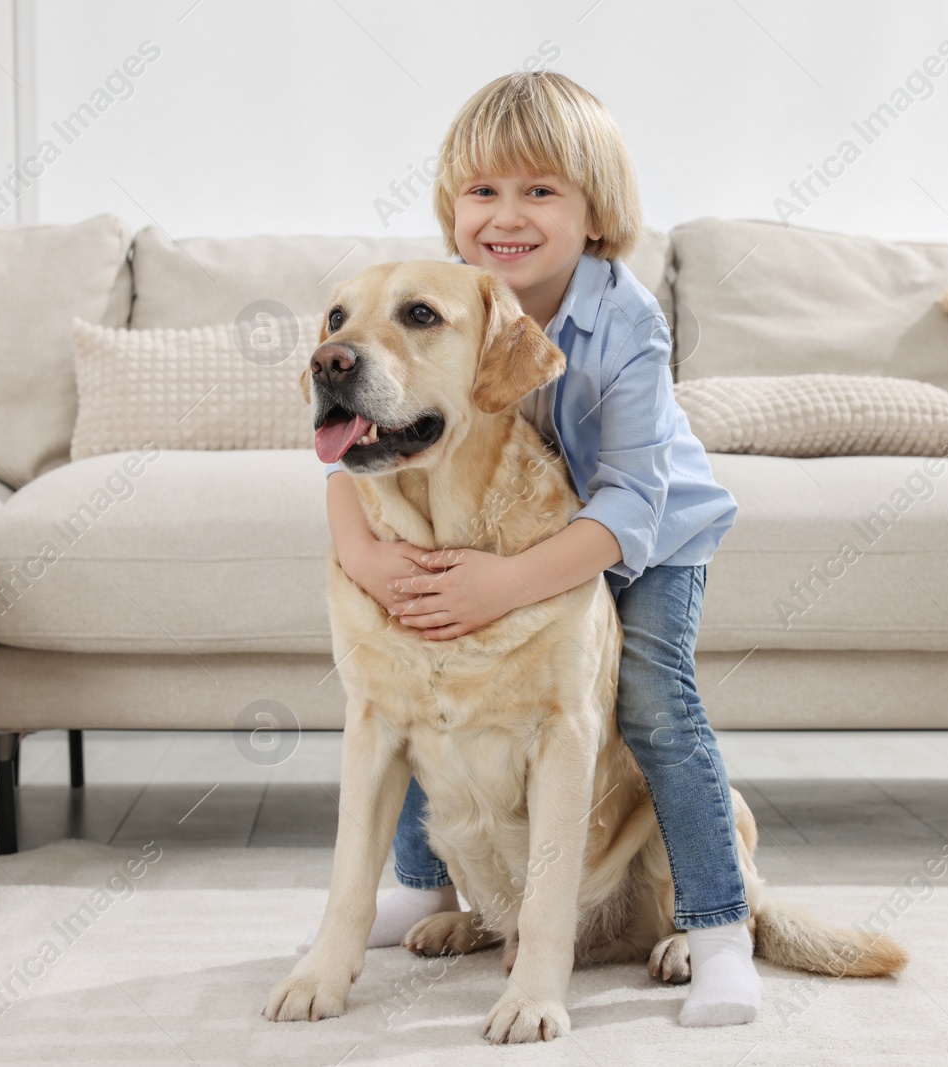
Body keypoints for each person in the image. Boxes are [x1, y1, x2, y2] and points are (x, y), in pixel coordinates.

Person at [311, 70, 757, 1026]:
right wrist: (367, 557)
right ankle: (433, 888)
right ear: (452, 207)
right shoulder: (439, 302)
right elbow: (347, 460)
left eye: (539, 190)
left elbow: (631, 506)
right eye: (482, 191)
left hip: (644, 537)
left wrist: (504, 585)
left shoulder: (625, 324)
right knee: (426, 683)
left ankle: (721, 927)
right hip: (521, 525)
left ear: (596, 212)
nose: (505, 214)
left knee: (650, 700)